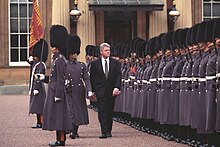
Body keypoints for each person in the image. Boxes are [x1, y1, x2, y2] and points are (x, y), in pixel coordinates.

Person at [42, 25, 71, 146]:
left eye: (53, 46)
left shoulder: (59, 59)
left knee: (60, 117)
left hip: (57, 92)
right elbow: (55, 77)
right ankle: (60, 139)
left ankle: (61, 140)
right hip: (54, 90)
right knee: (58, 116)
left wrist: (58, 94)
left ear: (57, 46)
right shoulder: (58, 58)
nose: (51, 47)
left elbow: (60, 78)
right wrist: (45, 78)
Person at [90, 42, 122, 139]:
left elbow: (118, 76)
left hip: (111, 91)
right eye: (106, 50)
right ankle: (104, 131)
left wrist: (117, 88)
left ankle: (109, 130)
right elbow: (92, 78)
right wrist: (93, 91)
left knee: (109, 111)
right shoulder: (95, 63)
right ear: (101, 52)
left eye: (109, 50)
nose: (108, 52)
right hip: (100, 91)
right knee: (102, 111)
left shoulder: (115, 63)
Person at [65, 34, 92, 139]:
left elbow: (87, 79)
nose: (75, 55)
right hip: (68, 90)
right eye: (73, 53)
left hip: (79, 90)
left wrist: (89, 91)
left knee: (78, 111)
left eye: (76, 53)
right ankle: (71, 130)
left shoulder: (82, 65)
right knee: (70, 110)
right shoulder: (64, 64)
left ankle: (75, 131)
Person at [29, 39, 48, 128]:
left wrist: (36, 88)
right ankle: (39, 121)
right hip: (35, 87)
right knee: (36, 106)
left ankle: (41, 122)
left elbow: (38, 77)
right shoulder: (36, 63)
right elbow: (31, 64)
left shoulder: (40, 65)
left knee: (39, 106)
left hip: (39, 88)